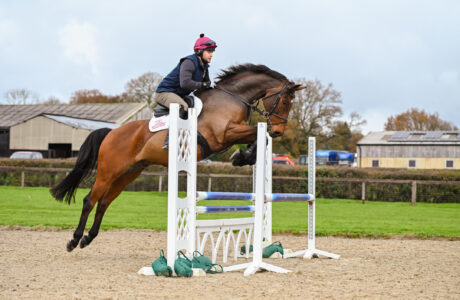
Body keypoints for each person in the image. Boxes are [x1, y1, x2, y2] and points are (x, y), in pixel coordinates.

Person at [155, 33, 217, 150]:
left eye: (212, 51)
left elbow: (206, 85)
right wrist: (205, 84)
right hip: (164, 93)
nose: (211, 54)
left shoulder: (204, 66)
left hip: (179, 94)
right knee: (182, 106)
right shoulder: (189, 62)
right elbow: (186, 83)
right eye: (209, 51)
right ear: (199, 51)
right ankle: (169, 141)